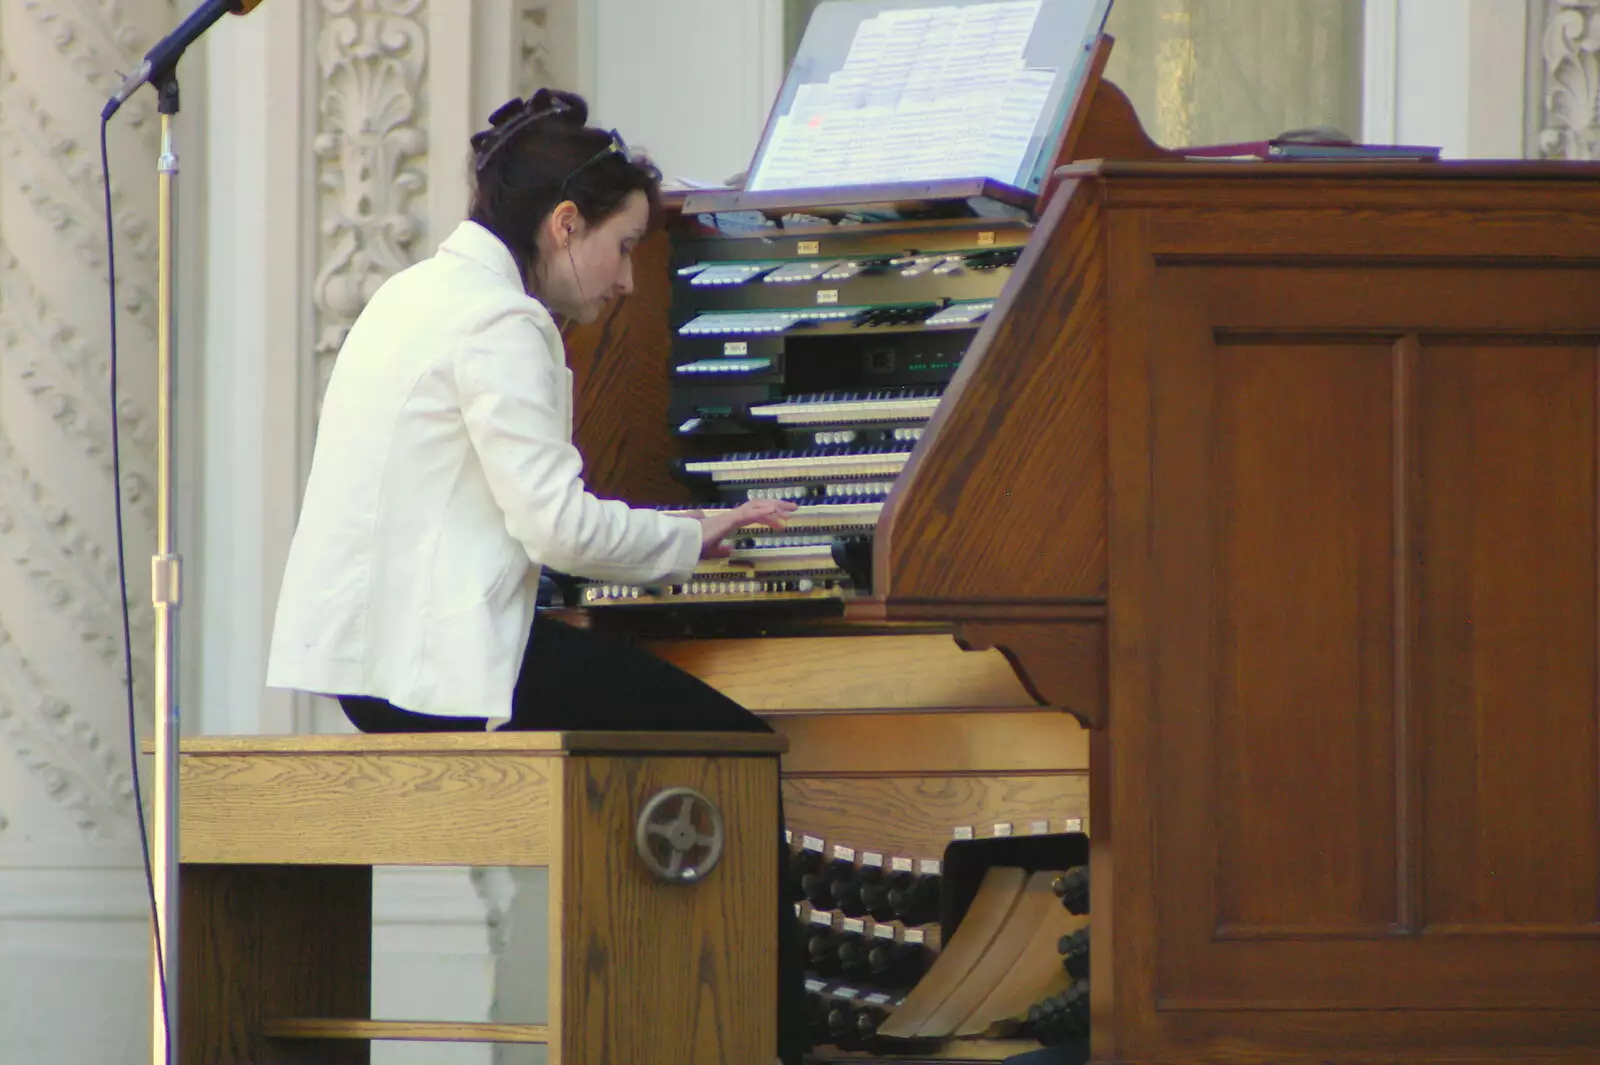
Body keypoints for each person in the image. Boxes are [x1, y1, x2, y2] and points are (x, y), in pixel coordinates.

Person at [266, 88, 807, 1063]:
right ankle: (763, 1041)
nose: (631, 281)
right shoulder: (501, 321)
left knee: (656, 723)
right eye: (626, 244)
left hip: (368, 664)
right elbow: (559, 529)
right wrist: (698, 537)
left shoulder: (414, 292)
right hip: (441, 671)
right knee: (739, 754)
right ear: (564, 225)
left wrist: (648, 534)